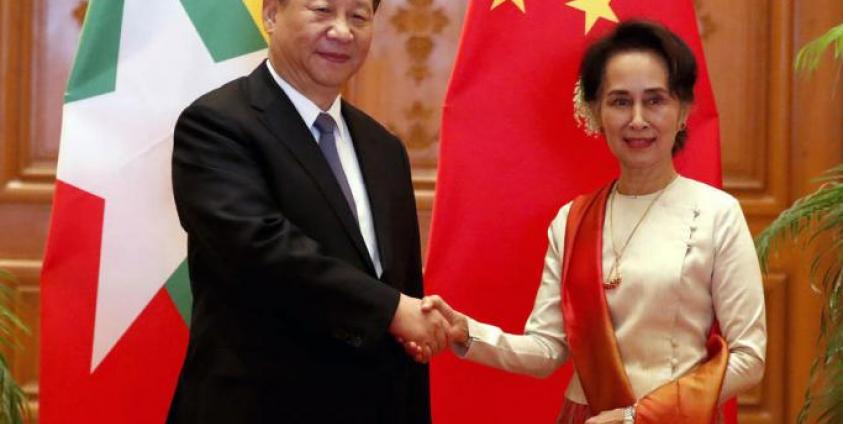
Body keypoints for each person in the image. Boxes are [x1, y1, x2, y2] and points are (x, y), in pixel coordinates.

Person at [407, 20, 767, 424]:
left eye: (654, 100)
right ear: (595, 112)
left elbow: (749, 358)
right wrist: (467, 333)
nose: (637, 119)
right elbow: (547, 351)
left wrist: (636, 417)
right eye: (619, 101)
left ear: (683, 110)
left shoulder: (718, 213)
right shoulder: (574, 220)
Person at [166, 0, 449, 422]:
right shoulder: (216, 125)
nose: (342, 31)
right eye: (322, 11)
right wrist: (390, 310)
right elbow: (259, 251)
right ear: (272, 14)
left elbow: (401, 285)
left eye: (359, 16)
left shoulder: (384, 148)